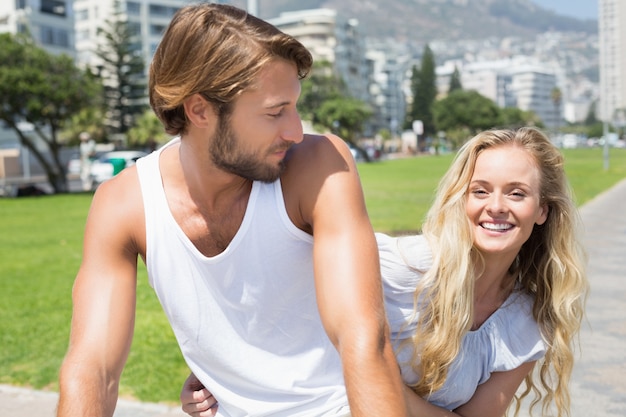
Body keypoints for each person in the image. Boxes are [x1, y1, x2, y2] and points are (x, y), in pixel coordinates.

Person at [56, 4, 406, 417]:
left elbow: (363, 339)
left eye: (294, 107)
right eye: (275, 112)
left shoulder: (317, 166)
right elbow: (92, 369)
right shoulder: (123, 206)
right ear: (200, 110)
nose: (295, 131)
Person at [181, 127, 588, 417]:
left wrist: (376, 381)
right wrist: (219, 371)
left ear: (542, 210)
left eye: (516, 193)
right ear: (459, 200)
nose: (496, 206)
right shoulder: (403, 265)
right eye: (480, 190)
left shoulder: (525, 322)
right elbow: (278, 276)